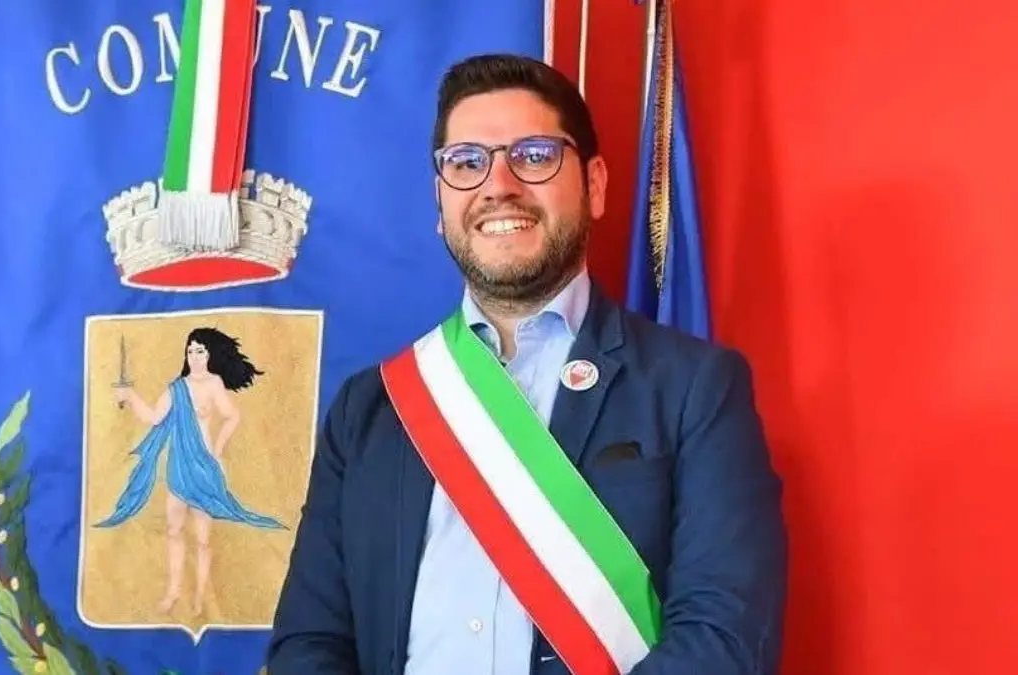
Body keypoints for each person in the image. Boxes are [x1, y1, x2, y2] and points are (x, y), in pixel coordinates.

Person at [266, 53, 787, 674]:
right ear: (440, 202)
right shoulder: (369, 408)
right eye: (467, 163)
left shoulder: (693, 389)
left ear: (594, 185)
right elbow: (309, 642)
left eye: (534, 155)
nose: (498, 186)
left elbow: (723, 637)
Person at [98, 326, 286, 616]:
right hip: (179, 467)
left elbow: (232, 416)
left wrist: (218, 449)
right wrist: (131, 396)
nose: (194, 357)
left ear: (209, 355)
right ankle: (173, 591)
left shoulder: (213, 384)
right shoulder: (177, 388)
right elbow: (155, 417)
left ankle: (200, 596)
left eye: (200, 351)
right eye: (190, 351)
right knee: (173, 530)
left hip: (204, 468)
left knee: (202, 537)